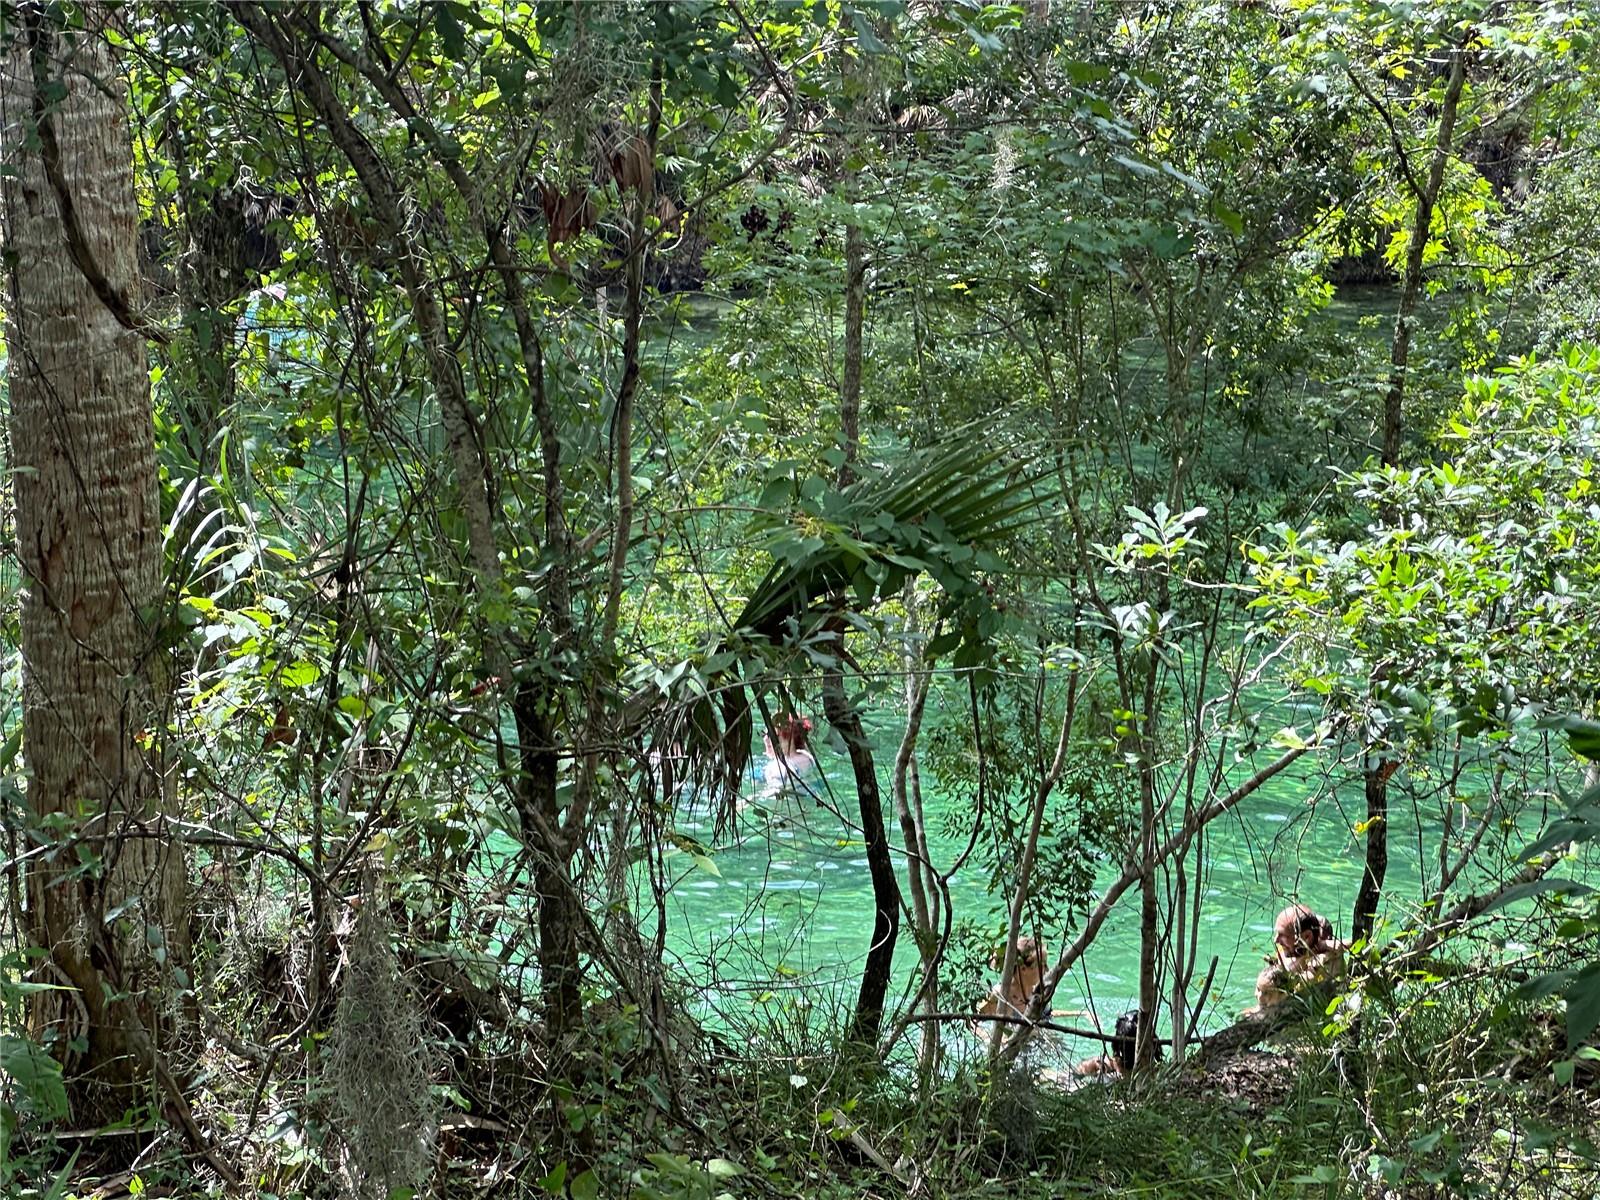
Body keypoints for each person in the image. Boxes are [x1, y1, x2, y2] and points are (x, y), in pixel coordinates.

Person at [760, 713, 816, 794]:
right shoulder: (808, 758)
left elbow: (775, 793)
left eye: (772, 735)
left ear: (790, 739)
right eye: (764, 734)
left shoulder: (777, 767)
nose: (766, 739)